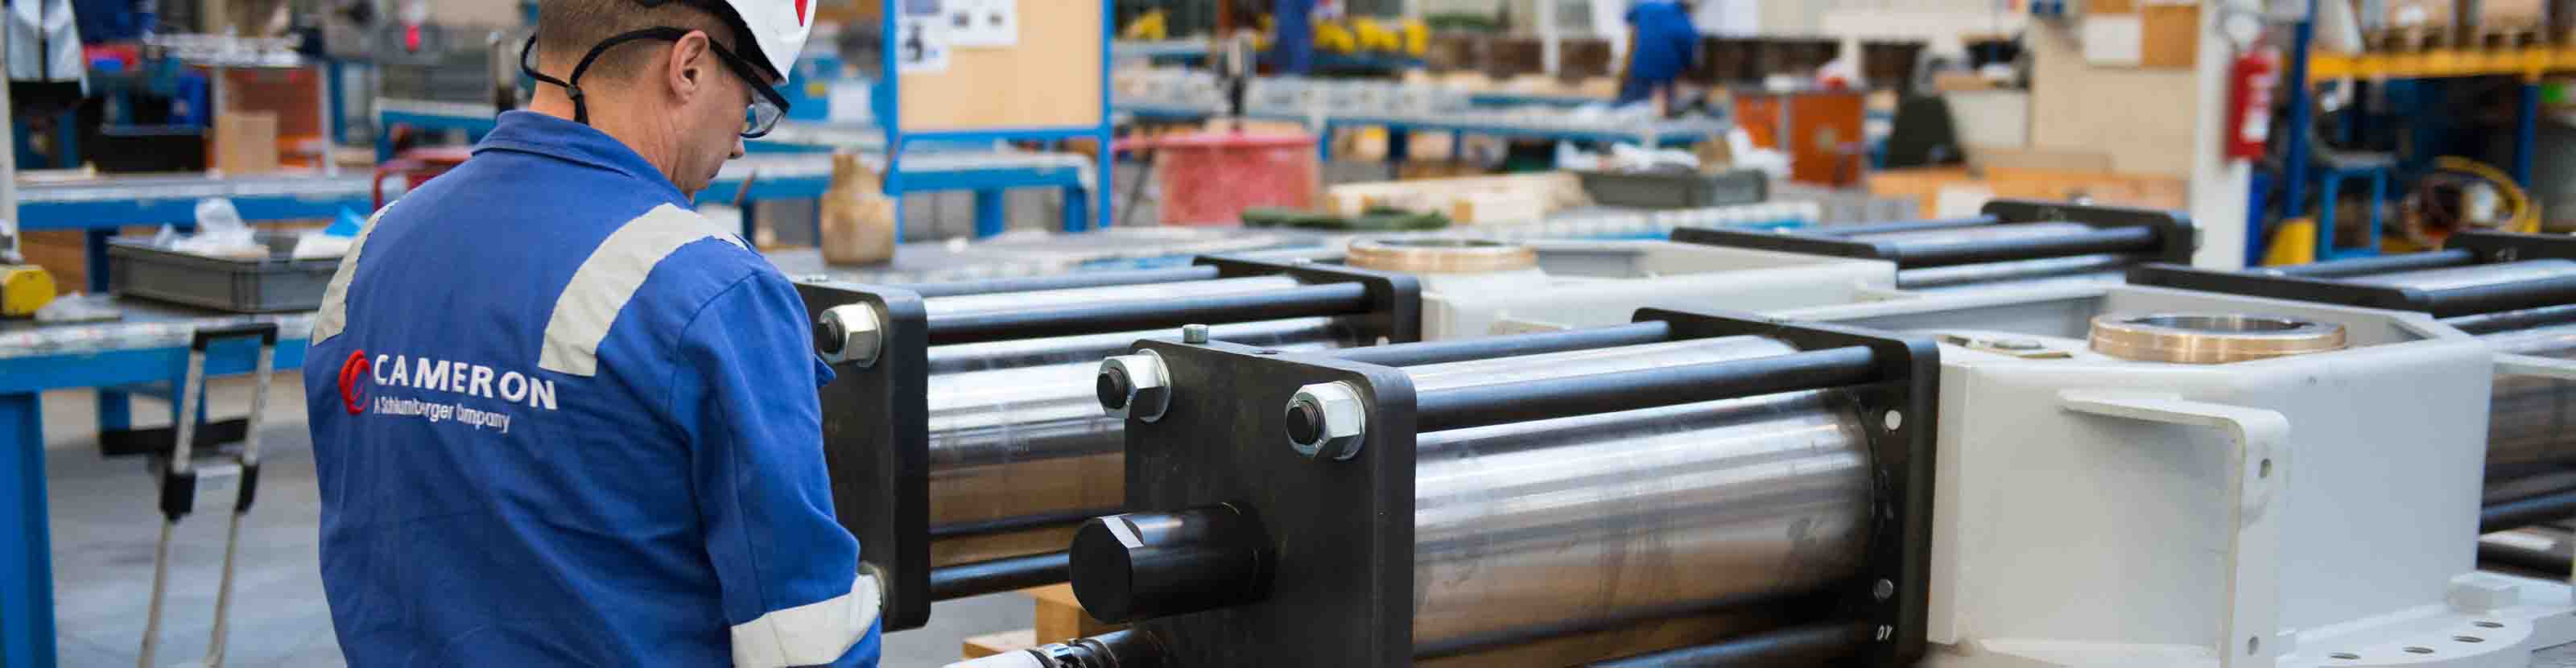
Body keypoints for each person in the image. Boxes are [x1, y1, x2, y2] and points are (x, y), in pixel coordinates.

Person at [299, 0, 882, 665]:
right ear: (689, 66)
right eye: (749, 99)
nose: (740, 140)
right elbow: (802, 644)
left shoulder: (372, 253)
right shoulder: (716, 294)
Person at [1618, 0, 1700, 109]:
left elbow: (1628, 17)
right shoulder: (1688, 29)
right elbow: (1689, 62)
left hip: (1641, 70)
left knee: (1627, 106)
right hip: (1665, 77)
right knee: (1664, 110)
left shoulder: (1648, 7)